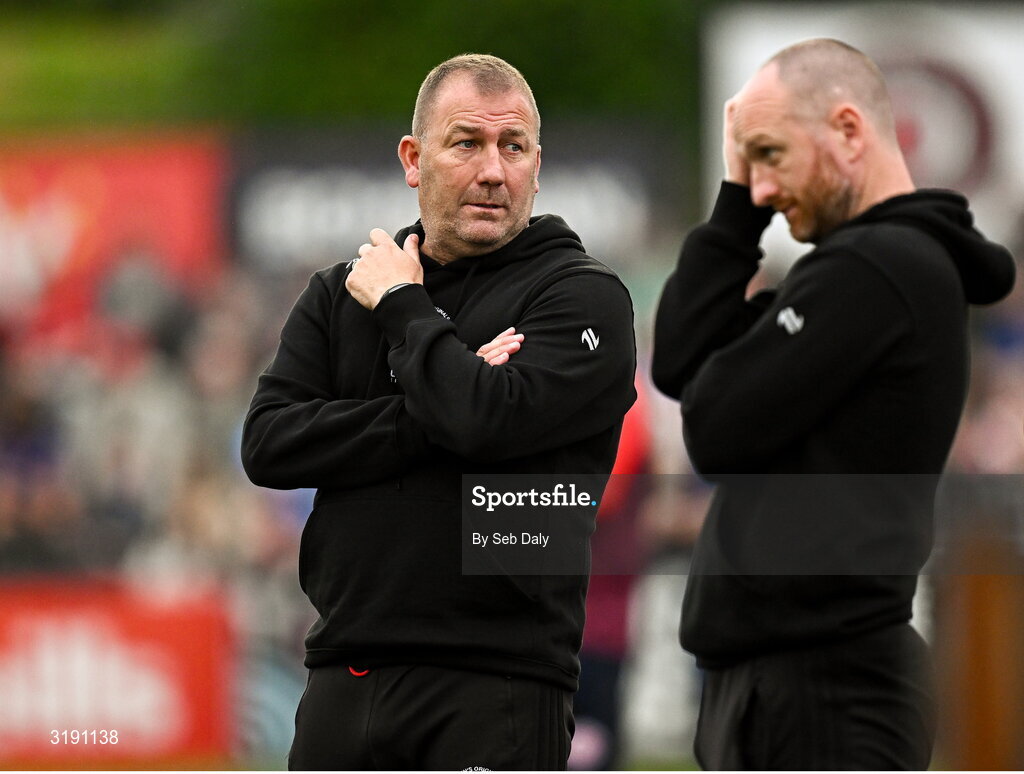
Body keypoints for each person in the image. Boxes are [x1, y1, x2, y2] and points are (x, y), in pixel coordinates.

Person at [241, 53, 636, 770]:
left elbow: (483, 422)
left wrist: (405, 308)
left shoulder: (582, 298)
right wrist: (438, 398)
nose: (493, 170)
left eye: (512, 147)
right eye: (467, 143)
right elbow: (269, 444)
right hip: (345, 672)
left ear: (537, 166)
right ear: (413, 159)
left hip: (499, 681)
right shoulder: (341, 292)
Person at [651, 38, 1015, 770]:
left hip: (824, 686)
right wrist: (733, 211)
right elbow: (680, 364)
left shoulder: (877, 267)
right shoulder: (864, 268)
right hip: (799, 679)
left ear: (849, 130)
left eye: (771, 154)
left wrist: (722, 382)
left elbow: (714, 426)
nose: (758, 187)